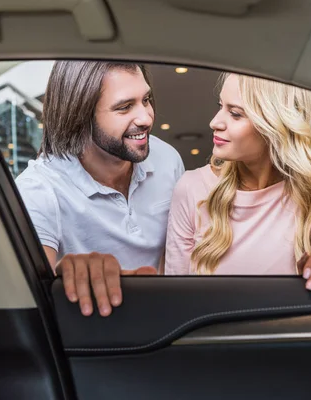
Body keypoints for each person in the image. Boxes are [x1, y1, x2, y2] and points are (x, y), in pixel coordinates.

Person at [164, 73, 311, 289]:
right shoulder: (191, 188)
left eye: (235, 114)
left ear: (274, 124)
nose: (214, 122)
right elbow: (175, 293)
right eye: (220, 106)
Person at [15, 61, 185, 316]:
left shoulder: (167, 159)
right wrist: (63, 272)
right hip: (89, 330)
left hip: (162, 318)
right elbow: (28, 298)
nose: (146, 117)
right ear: (81, 116)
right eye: (125, 107)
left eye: (146, 100)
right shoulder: (38, 190)